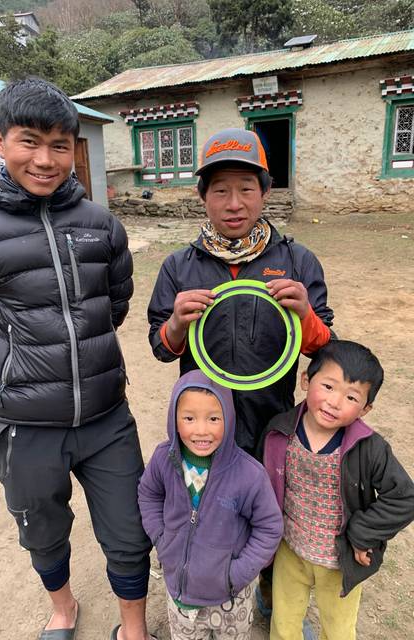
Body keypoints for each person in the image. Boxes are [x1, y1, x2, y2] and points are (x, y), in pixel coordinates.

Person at [0, 78, 154, 640]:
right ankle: (63, 609)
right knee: (41, 526)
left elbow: (117, 304)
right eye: (29, 141)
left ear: (73, 149)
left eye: (60, 145)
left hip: (106, 416)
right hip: (24, 423)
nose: (44, 158)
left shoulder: (102, 226)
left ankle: (134, 624)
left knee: (130, 528)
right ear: (1, 141)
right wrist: (21, 371)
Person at [147, 126, 334, 614]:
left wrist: (305, 316)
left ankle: (268, 591)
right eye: (221, 190)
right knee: (207, 505)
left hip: (273, 417)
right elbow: (161, 349)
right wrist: (175, 325)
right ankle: (212, 585)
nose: (234, 203)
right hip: (205, 422)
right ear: (202, 196)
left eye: (246, 189)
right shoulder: (178, 268)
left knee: (271, 505)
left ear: (265, 192)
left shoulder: (296, 260)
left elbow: (325, 347)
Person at [260, 340, 414, 640]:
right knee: (284, 624)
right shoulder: (278, 431)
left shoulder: (370, 448)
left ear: (365, 409)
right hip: (290, 550)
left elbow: (404, 497)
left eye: (351, 396)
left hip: (339, 561)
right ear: (306, 380)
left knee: (339, 630)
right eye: (328, 386)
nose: (334, 402)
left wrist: (362, 534)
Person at [138, 368, 283, 639]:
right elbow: (149, 494)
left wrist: (238, 573)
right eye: (189, 418)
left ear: (229, 419)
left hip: (231, 599)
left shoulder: (249, 474)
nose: (201, 430)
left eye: (214, 418)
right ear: (174, 418)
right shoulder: (163, 460)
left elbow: (270, 527)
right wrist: (161, 536)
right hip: (181, 598)